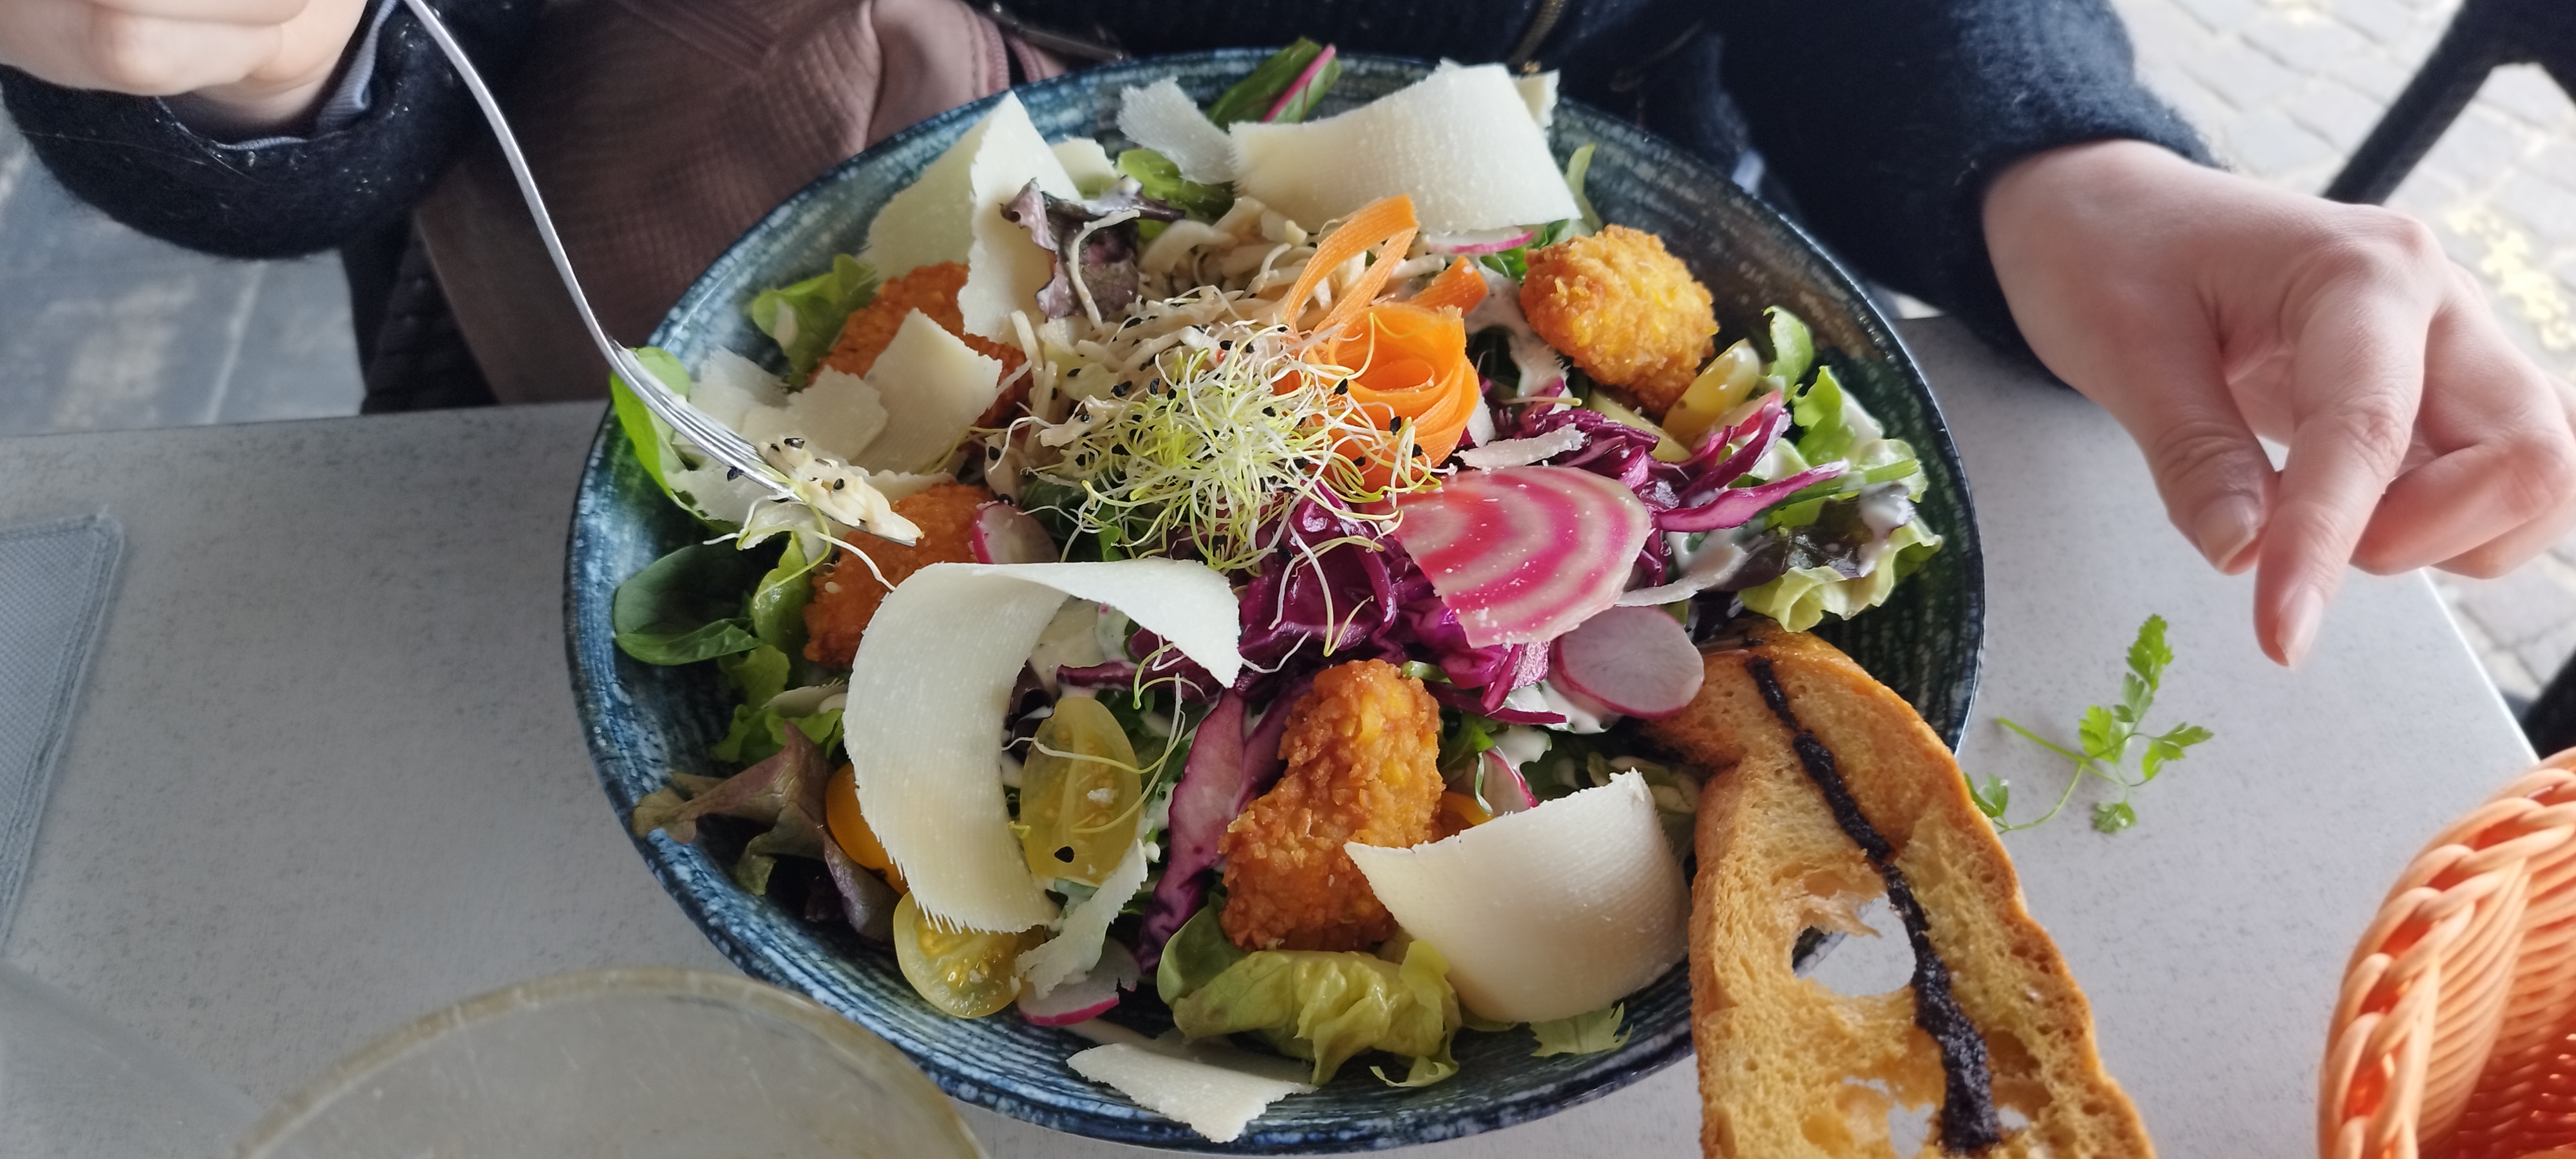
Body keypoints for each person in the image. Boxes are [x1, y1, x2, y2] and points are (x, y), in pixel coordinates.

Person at [5, 0, 2570, 670]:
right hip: (649, 277)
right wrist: (244, 62)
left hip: (1545, 216)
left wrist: (2063, 160)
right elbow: (384, 62)